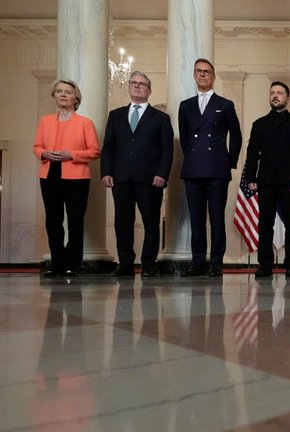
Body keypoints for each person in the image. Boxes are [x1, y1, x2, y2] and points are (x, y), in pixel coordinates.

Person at [101, 71, 174, 278]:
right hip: (121, 178)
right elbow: (108, 147)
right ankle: (125, 264)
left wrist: (162, 174)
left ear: (149, 90)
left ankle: (149, 264)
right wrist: (106, 171)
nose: (137, 86)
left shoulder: (160, 118)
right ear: (129, 87)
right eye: (133, 82)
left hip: (150, 179)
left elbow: (167, 150)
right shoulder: (116, 115)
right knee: (122, 222)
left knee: (151, 223)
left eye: (142, 84)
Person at [178, 58, 242, 277]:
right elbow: (185, 138)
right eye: (199, 71)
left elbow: (237, 136)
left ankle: (216, 262)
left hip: (217, 170)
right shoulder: (185, 105)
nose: (203, 75)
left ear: (213, 77)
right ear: (194, 76)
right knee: (196, 220)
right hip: (193, 169)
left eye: (207, 72)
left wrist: (229, 162)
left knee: (216, 218)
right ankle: (197, 263)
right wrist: (192, 159)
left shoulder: (225, 105)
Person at [242, 81, 290, 278]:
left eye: (280, 93)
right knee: (264, 224)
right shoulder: (259, 124)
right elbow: (252, 153)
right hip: (265, 181)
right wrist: (250, 178)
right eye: (272, 92)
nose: (275, 96)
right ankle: (265, 265)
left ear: (288, 98)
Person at [33, 79, 100, 277]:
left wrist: (72, 155)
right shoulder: (45, 121)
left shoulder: (85, 123)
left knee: (75, 220)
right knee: (53, 221)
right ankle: (57, 263)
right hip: (49, 173)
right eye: (59, 91)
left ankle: (72, 264)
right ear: (54, 96)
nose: (63, 94)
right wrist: (44, 153)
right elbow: (36, 146)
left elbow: (95, 151)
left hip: (76, 176)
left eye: (67, 92)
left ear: (76, 98)